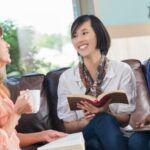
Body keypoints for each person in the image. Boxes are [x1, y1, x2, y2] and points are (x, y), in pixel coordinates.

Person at [57, 14, 136, 150]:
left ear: (98, 34)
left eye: (84, 33)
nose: (79, 40)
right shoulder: (66, 78)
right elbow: (69, 126)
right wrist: (87, 119)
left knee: (95, 144)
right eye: (75, 36)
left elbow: (124, 119)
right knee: (101, 122)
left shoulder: (123, 70)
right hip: (85, 132)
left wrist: (104, 112)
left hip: (116, 133)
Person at [0, 27, 66, 150]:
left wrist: (43, 135)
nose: (7, 45)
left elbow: (9, 137)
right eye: (1, 39)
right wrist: (16, 113)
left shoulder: (2, 91)